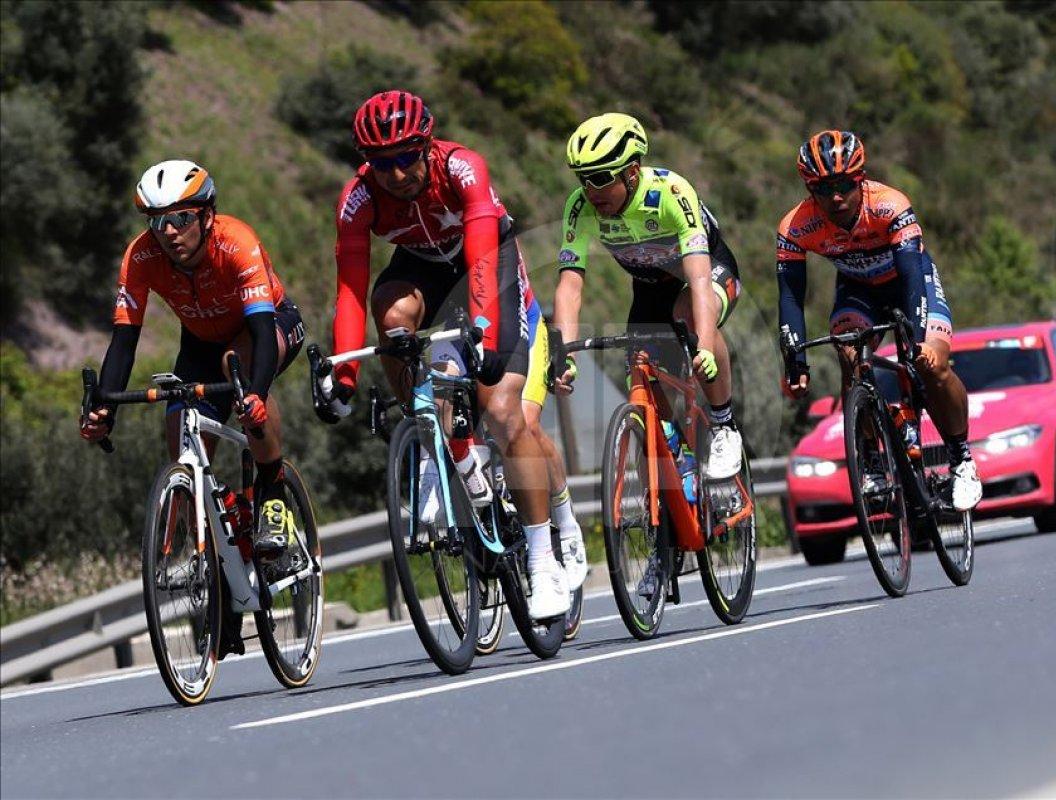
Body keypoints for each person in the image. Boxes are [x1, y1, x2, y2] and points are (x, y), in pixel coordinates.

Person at [316, 90, 583, 617]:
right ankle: (428, 444)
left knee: (505, 413)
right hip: (423, 267)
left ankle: (541, 559)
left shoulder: (462, 168)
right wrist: (343, 374)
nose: (394, 174)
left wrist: (482, 335)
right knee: (390, 319)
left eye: (405, 157)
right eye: (380, 163)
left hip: (488, 263)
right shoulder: (358, 198)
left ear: (427, 144)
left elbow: (481, 263)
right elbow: (349, 291)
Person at [80, 159, 308, 655]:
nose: (169, 232)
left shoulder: (236, 240)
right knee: (179, 433)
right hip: (201, 343)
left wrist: (254, 393)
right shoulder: (141, 257)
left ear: (207, 215)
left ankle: (271, 499)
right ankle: (217, 553)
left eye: (181, 218)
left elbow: (261, 333)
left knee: (240, 372)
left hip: (265, 329)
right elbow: (124, 341)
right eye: (158, 222)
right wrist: (105, 410)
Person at [775, 130, 982, 511]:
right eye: (822, 189)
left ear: (861, 178)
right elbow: (790, 296)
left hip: (909, 282)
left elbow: (912, 278)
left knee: (933, 366)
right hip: (857, 291)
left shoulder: (890, 204)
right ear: (809, 189)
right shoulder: (795, 227)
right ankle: (871, 456)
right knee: (848, 352)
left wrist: (920, 340)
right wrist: (794, 360)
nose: (835, 197)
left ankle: (961, 458)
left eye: (844, 185)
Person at [551, 113, 745, 487]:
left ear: (633, 171)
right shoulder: (580, 208)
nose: (591, 190)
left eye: (601, 178)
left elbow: (699, 278)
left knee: (687, 313)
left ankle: (723, 423)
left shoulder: (670, 193)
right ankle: (675, 469)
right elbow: (569, 286)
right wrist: (565, 353)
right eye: (583, 178)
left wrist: (703, 344)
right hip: (650, 289)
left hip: (705, 273)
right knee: (644, 398)